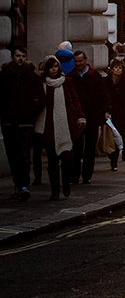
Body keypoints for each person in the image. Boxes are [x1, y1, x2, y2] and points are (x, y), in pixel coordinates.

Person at [35, 56, 85, 200]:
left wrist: (80, 116)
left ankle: (66, 183)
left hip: (65, 123)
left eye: (56, 66)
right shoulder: (41, 83)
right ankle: (55, 189)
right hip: (48, 124)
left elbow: (74, 99)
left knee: (67, 158)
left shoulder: (66, 82)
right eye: (51, 67)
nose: (54, 70)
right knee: (52, 161)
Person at [0, 46, 41, 200]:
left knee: (24, 155)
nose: (21, 59)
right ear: (12, 57)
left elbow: (39, 98)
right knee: (12, 156)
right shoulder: (3, 76)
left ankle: (24, 185)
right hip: (8, 123)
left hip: (26, 123)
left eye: (23, 56)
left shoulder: (32, 77)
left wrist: (31, 112)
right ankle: (18, 185)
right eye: (18, 56)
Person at [68, 50, 111, 185]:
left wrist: (106, 110)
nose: (79, 64)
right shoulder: (71, 77)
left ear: (86, 60)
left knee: (90, 147)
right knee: (77, 146)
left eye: (81, 61)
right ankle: (75, 174)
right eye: (76, 62)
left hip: (93, 115)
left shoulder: (95, 76)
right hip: (77, 117)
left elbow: (103, 95)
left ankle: (87, 175)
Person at [104, 58, 125, 169]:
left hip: (122, 113)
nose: (118, 70)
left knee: (122, 134)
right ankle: (113, 158)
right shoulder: (106, 82)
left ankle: (122, 154)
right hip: (111, 113)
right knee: (112, 136)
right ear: (112, 69)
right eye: (116, 67)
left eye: (120, 68)